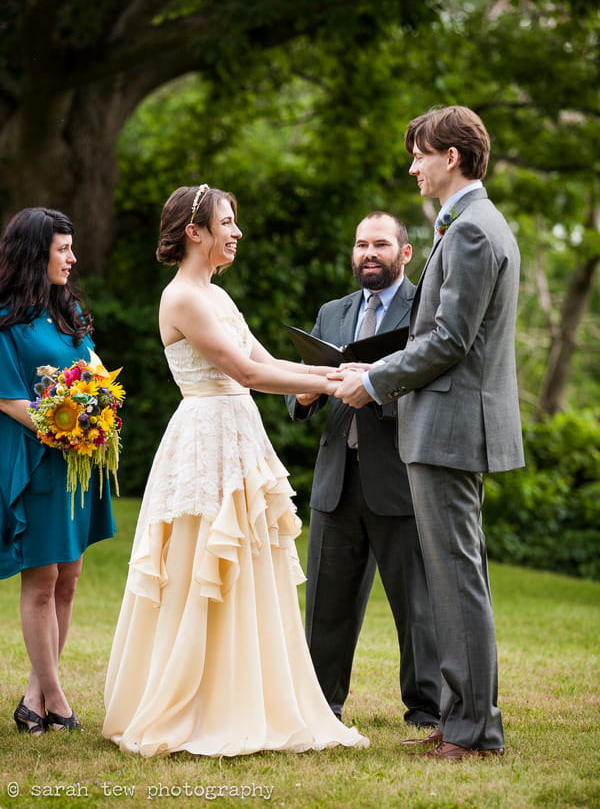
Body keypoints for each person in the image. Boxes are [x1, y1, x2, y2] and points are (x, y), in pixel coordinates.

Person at [102, 184, 368, 757]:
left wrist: (336, 373)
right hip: (204, 440)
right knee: (202, 562)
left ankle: (244, 694)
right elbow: (245, 372)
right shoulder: (184, 298)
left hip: (238, 434)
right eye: (227, 221)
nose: (237, 232)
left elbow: (266, 361)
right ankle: (196, 704)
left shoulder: (217, 297)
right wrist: (334, 382)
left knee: (245, 561)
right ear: (194, 232)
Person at [332, 106, 524, 761]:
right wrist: (375, 365)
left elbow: (448, 340)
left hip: (447, 428)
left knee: (457, 579)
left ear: (453, 157)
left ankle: (476, 732)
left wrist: (376, 380)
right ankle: (460, 718)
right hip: (442, 426)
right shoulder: (468, 224)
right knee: (449, 579)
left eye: (420, 153)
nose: (412, 166)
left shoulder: (472, 230)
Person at [286, 212, 440, 729]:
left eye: (379, 244)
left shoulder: (427, 308)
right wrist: (303, 394)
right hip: (337, 478)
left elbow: (434, 377)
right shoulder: (333, 311)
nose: (368, 253)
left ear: (405, 253)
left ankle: (425, 708)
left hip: (401, 474)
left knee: (415, 606)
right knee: (326, 604)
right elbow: (300, 384)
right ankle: (321, 706)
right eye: (360, 245)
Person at [0, 207, 116, 735]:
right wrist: (65, 429)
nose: (72, 258)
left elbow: (91, 375)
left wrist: (96, 417)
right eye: (62, 249)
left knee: (69, 579)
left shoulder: (65, 312)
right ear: (35, 253)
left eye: (71, 248)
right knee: (42, 580)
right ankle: (58, 699)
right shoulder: (7, 321)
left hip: (77, 463)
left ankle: (33, 696)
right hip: (37, 461)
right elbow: (9, 401)